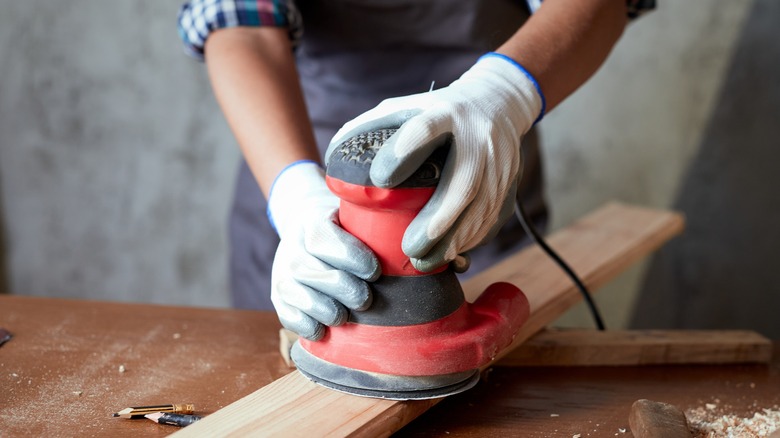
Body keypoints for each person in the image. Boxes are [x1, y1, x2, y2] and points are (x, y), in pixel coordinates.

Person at [177, 0, 651, 341]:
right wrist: (295, 196)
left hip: (475, 176)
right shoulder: (301, 199)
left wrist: (502, 95)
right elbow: (242, 24)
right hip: (305, 176)